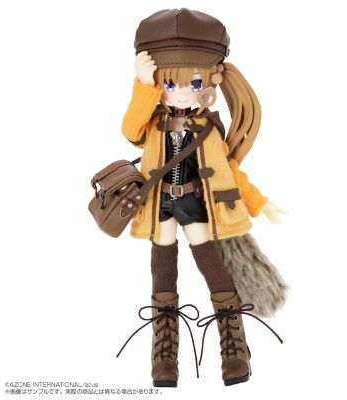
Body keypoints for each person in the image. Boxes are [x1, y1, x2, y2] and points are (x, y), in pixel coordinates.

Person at [116, 8, 286, 387]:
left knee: (212, 267)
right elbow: (130, 130)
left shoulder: (208, 128)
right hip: (160, 204)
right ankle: (165, 348)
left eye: (194, 83)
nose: (181, 92)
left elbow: (231, 171)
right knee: (162, 271)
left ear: (212, 79)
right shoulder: (152, 123)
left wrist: (258, 202)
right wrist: (142, 86)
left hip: (196, 204)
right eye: (169, 83)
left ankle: (233, 343)